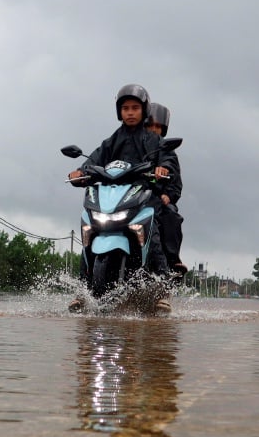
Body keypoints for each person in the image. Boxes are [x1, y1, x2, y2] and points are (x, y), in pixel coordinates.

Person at [67, 84, 175, 312]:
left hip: (141, 196)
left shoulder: (153, 140)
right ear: (119, 112)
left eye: (135, 108)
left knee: (152, 233)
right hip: (112, 197)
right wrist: (80, 171)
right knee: (89, 231)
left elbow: (166, 158)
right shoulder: (112, 140)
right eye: (125, 108)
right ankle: (81, 291)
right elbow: (94, 159)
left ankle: (163, 290)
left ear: (143, 110)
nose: (130, 112)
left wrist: (162, 169)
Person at [145, 101, 186, 277]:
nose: (153, 129)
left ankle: (172, 260)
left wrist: (168, 195)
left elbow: (176, 183)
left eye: (158, 127)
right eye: (150, 125)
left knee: (171, 215)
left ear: (163, 129)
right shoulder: (131, 147)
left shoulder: (168, 151)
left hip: (157, 200)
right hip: (129, 198)